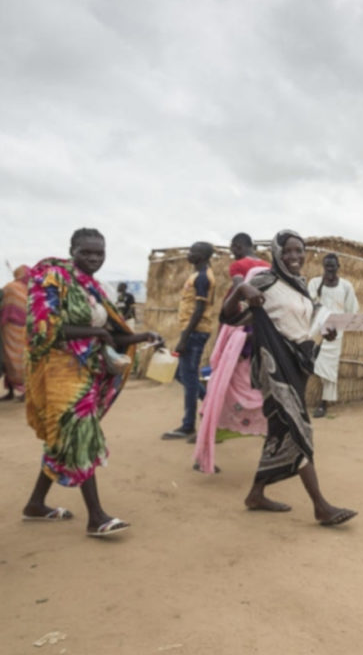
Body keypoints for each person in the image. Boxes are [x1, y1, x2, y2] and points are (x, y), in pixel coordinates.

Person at [22, 228, 160, 536]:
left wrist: (143, 336)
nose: (94, 258)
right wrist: (96, 334)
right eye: (87, 252)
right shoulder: (52, 278)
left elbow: (112, 331)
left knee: (64, 439)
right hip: (59, 372)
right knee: (80, 434)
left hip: (86, 372)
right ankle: (96, 517)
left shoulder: (93, 288)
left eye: (100, 253)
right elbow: (44, 329)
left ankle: (35, 504)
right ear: (72, 250)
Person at [222, 230, 356, 526]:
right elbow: (228, 317)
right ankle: (321, 506)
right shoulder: (263, 282)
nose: (295, 256)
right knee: (299, 428)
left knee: (279, 431)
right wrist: (242, 290)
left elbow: (301, 323)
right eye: (289, 251)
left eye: (300, 251)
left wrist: (326, 331)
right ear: (277, 252)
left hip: (296, 364)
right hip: (274, 368)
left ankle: (256, 494)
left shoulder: (299, 285)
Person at [191, 235, 271, 474]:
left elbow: (239, 289)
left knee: (219, 397)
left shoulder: (240, 271)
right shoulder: (268, 269)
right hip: (250, 350)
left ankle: (206, 446)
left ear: (238, 246)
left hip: (240, 348)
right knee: (230, 398)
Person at [162, 241, 216, 440]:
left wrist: (184, 338)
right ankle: (213, 408)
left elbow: (199, 309)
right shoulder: (198, 275)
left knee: (189, 377)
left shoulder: (203, 277)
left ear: (201, 256)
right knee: (184, 375)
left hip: (194, 333)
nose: (189, 253)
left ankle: (188, 425)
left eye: (193, 251)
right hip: (192, 331)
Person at [308, 253, 359, 418]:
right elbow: (310, 305)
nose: (329, 269)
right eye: (326, 266)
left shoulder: (346, 286)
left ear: (338, 267)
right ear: (323, 266)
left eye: (332, 266)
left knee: (329, 369)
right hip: (315, 330)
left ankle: (323, 403)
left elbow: (351, 310)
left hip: (335, 333)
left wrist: (337, 323)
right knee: (308, 362)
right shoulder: (315, 283)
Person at [1, 265, 29, 401]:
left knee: (12, 360)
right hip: (20, 330)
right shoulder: (27, 290)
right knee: (13, 360)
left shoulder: (11, 287)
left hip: (10, 329)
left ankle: (23, 391)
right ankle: (12, 391)